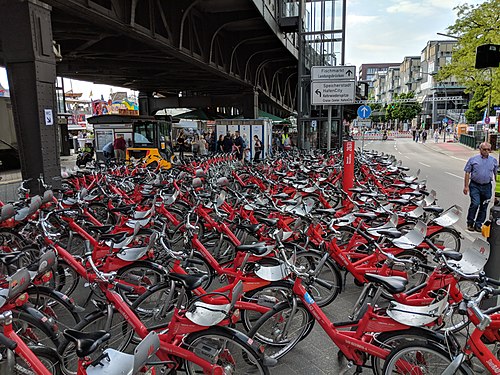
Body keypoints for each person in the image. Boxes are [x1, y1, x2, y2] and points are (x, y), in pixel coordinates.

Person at [463, 142, 498, 232]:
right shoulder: (473, 159)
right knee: (475, 203)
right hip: (475, 185)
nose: (486, 151)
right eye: (484, 149)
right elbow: (467, 172)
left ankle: (478, 224)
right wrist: (466, 186)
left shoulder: (493, 160)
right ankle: (470, 222)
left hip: (487, 186)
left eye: (488, 150)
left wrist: (497, 190)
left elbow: (496, 174)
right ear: (480, 150)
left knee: (484, 206)